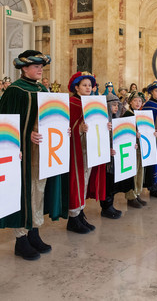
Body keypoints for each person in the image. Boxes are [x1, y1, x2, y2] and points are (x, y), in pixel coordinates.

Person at [0, 50, 68, 260]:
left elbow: (50, 119)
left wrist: (62, 129)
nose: (40, 70)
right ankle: (21, 239)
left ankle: (34, 232)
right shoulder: (15, 91)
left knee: (39, 190)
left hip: (44, 153)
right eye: (36, 66)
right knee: (25, 192)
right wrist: (26, 135)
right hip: (24, 152)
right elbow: (6, 124)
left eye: (41, 67)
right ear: (24, 68)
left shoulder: (42, 89)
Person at [67, 71, 107, 234]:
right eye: (84, 85)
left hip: (91, 149)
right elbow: (66, 127)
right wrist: (79, 129)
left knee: (85, 179)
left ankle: (80, 212)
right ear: (76, 87)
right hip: (77, 149)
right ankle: (73, 217)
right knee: (77, 180)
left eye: (90, 85)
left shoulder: (93, 103)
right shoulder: (72, 103)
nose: (88, 88)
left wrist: (106, 126)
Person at [100, 93, 129, 218]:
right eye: (113, 105)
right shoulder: (102, 122)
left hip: (115, 158)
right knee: (106, 184)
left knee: (112, 184)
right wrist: (107, 149)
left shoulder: (117, 120)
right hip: (106, 160)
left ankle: (110, 204)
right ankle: (106, 207)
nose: (116, 107)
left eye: (117, 105)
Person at [123, 91, 147, 208]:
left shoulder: (141, 115)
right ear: (130, 102)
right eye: (135, 101)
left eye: (140, 101)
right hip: (131, 147)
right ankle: (131, 196)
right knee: (132, 172)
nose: (138, 103)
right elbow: (124, 131)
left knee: (139, 170)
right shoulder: (128, 114)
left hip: (140, 147)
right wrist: (134, 134)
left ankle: (137, 193)